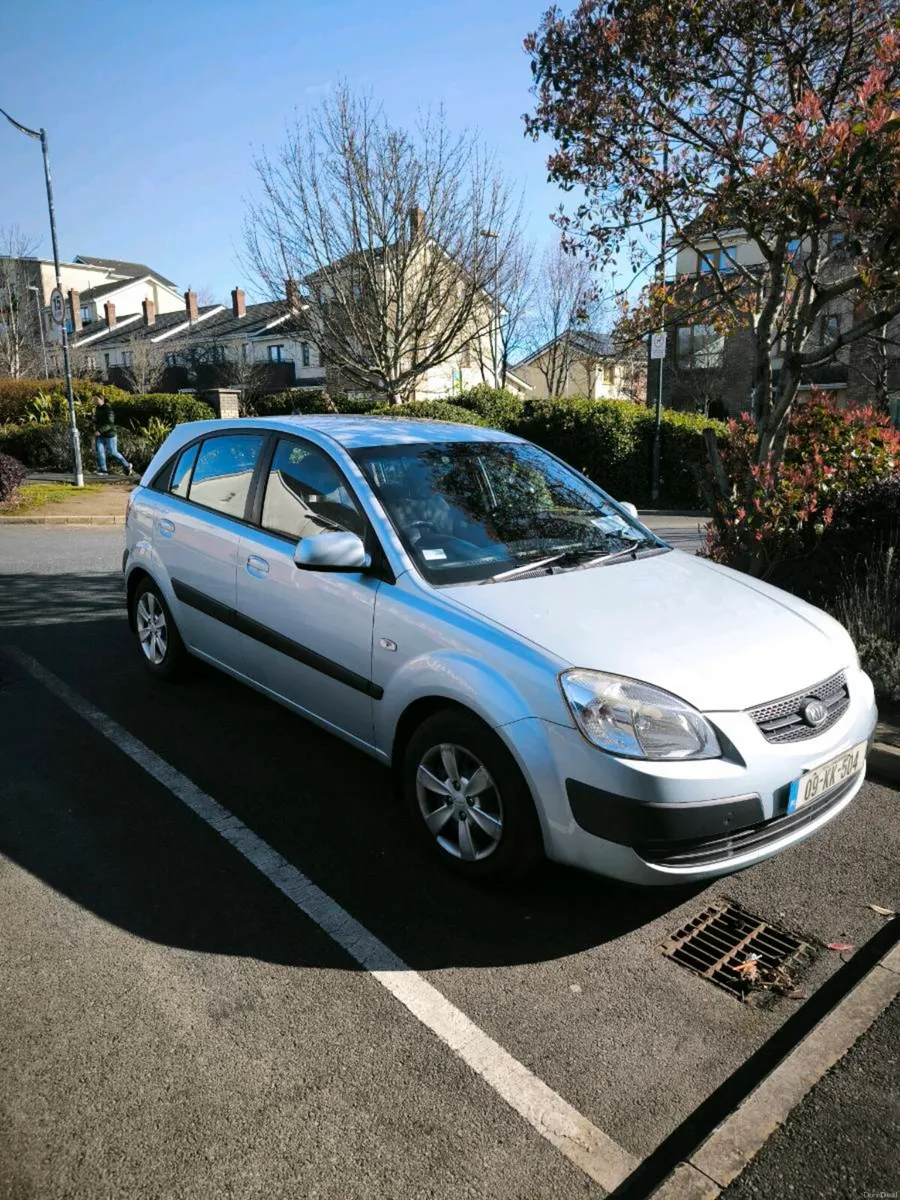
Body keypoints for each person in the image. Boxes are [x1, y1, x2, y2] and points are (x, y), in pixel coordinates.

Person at [94, 397, 133, 475]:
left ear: (102, 400)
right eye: (94, 399)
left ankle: (127, 465)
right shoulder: (97, 409)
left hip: (110, 435)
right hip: (100, 435)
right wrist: (92, 419)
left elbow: (110, 424)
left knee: (113, 453)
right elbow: (99, 421)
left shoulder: (109, 410)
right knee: (100, 452)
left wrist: (100, 431)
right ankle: (103, 470)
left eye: (96, 399)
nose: (94, 401)